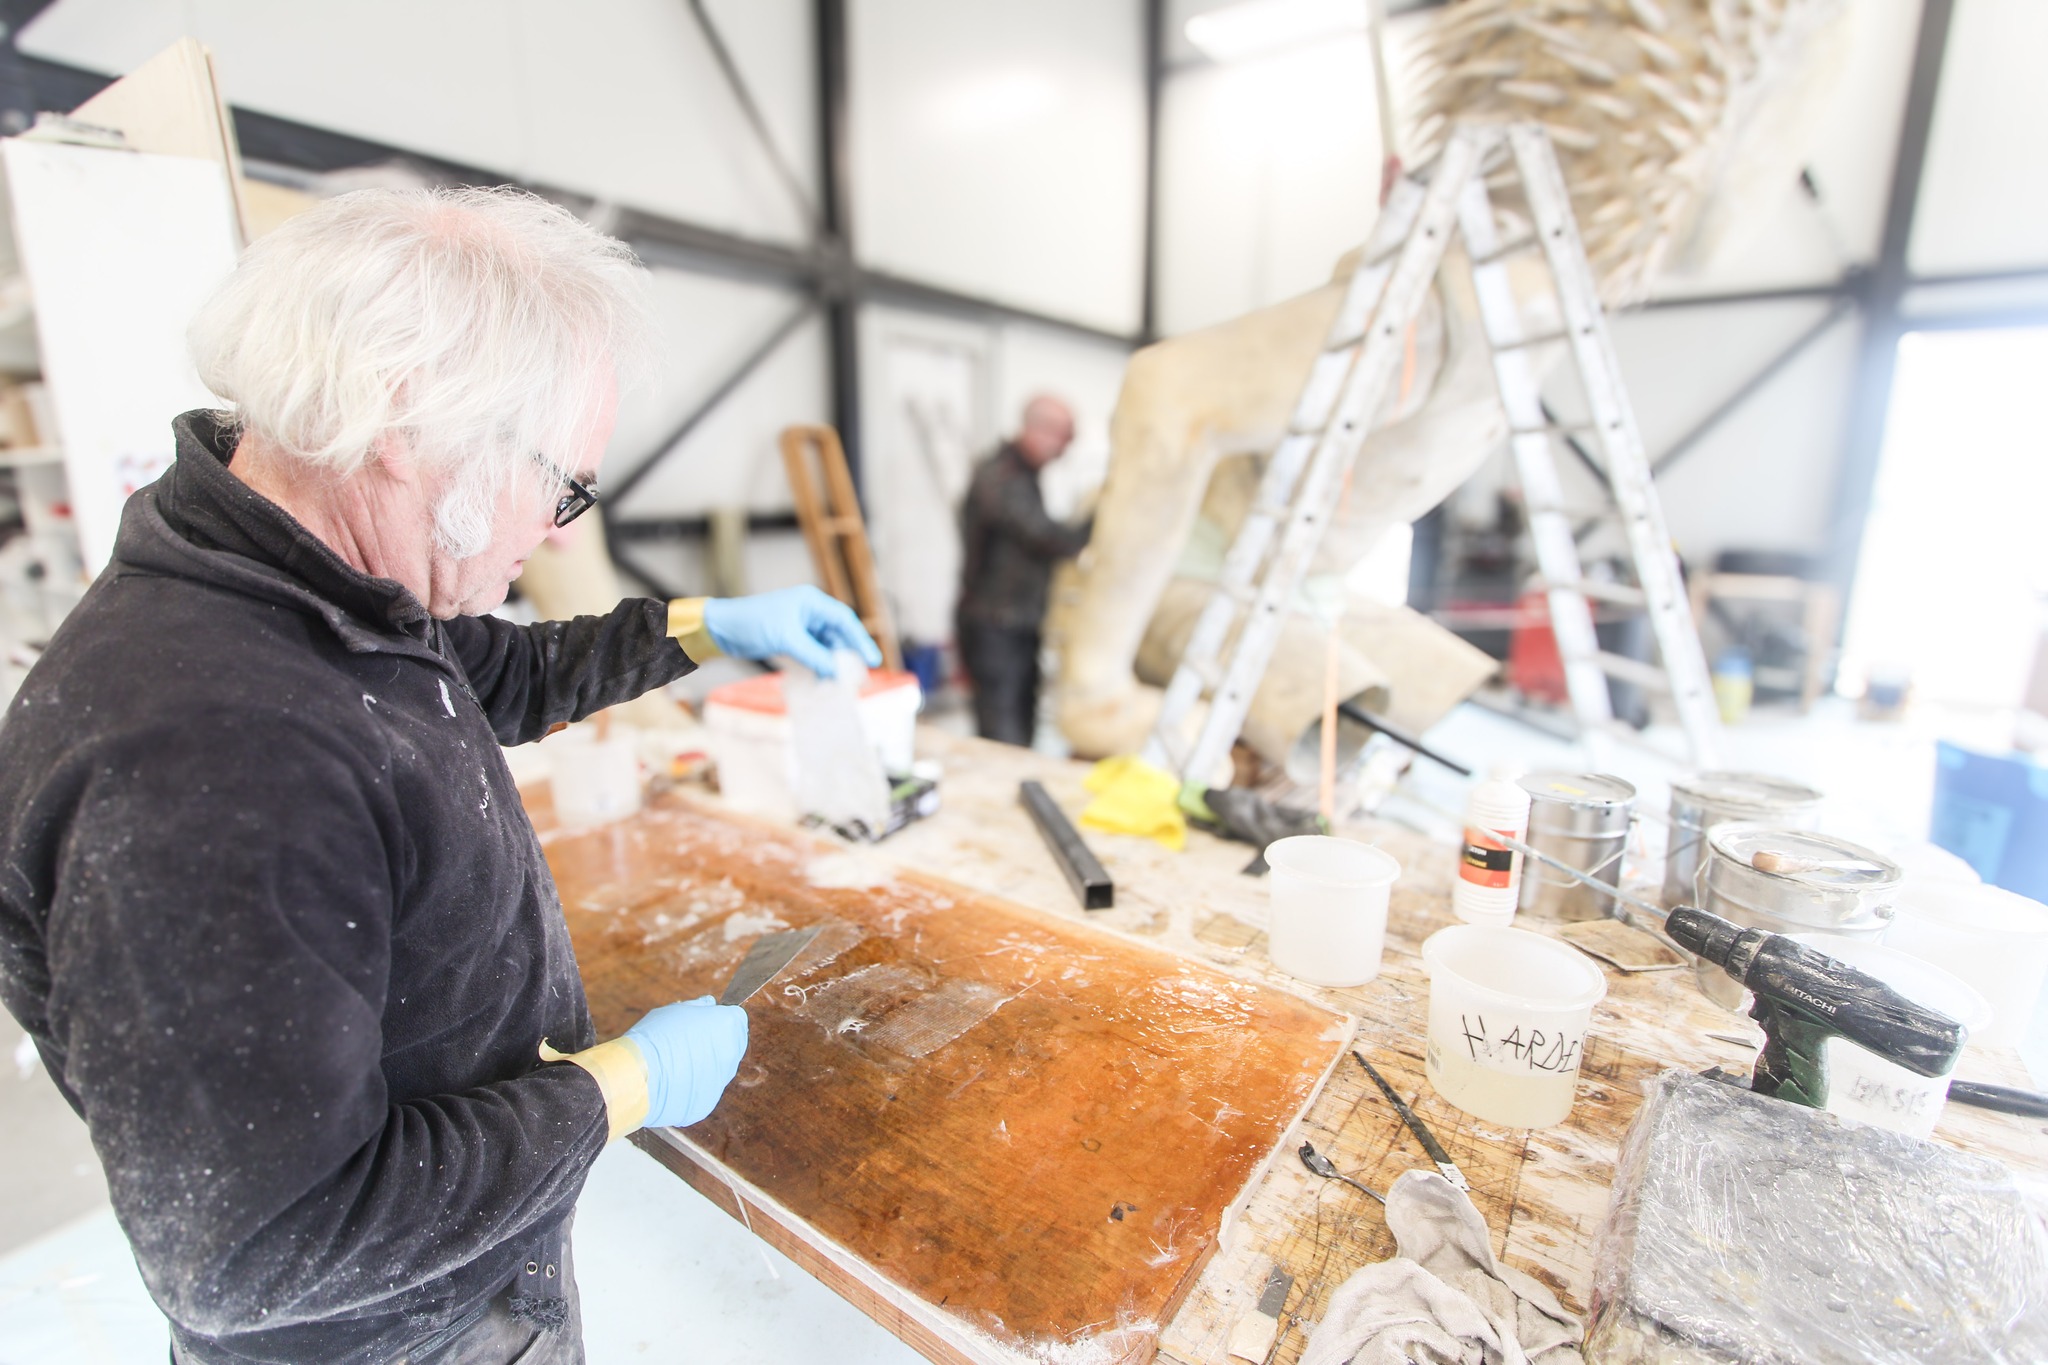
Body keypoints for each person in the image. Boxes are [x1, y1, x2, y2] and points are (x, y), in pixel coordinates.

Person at [0, 187, 880, 1365]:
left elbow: (479, 676)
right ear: (405, 426)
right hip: (394, 1335)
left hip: (461, 1262)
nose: (560, 532)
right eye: (560, 484)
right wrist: (616, 1091)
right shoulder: (209, 765)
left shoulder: (297, 577)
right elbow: (259, 1248)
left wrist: (701, 625)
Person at [955, 396, 1093, 745]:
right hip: (995, 627)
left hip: (1016, 624)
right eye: (1065, 437)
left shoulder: (1022, 476)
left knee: (1021, 728)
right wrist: (1099, 517)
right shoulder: (1002, 476)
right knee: (1004, 735)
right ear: (1041, 430)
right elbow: (1043, 536)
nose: (1067, 448)